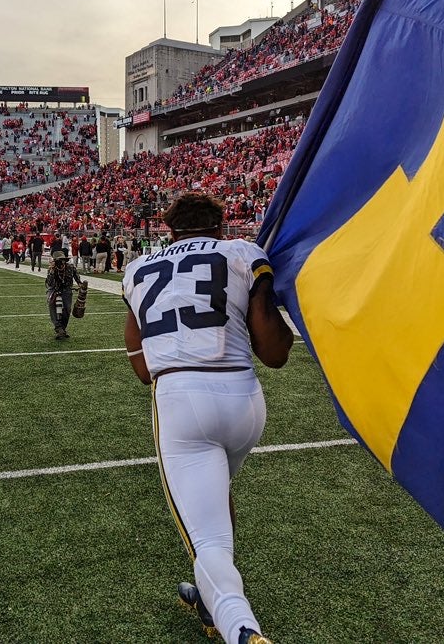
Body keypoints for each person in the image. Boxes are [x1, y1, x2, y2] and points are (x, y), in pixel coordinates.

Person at [121, 192, 293, 644]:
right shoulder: (241, 252)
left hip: (181, 397)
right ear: (220, 225)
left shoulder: (138, 268)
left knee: (208, 540)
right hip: (245, 400)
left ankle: (240, 628)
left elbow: (140, 364)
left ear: (169, 228)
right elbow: (274, 353)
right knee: (217, 498)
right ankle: (207, 592)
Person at [45, 250, 84, 340]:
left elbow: (77, 278)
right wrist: (51, 270)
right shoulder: (52, 269)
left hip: (66, 289)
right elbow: (50, 283)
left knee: (67, 309)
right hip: (54, 289)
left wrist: (80, 285)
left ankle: (63, 328)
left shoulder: (70, 267)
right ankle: (58, 328)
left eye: (63, 260)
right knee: (52, 305)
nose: (61, 262)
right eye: (59, 260)